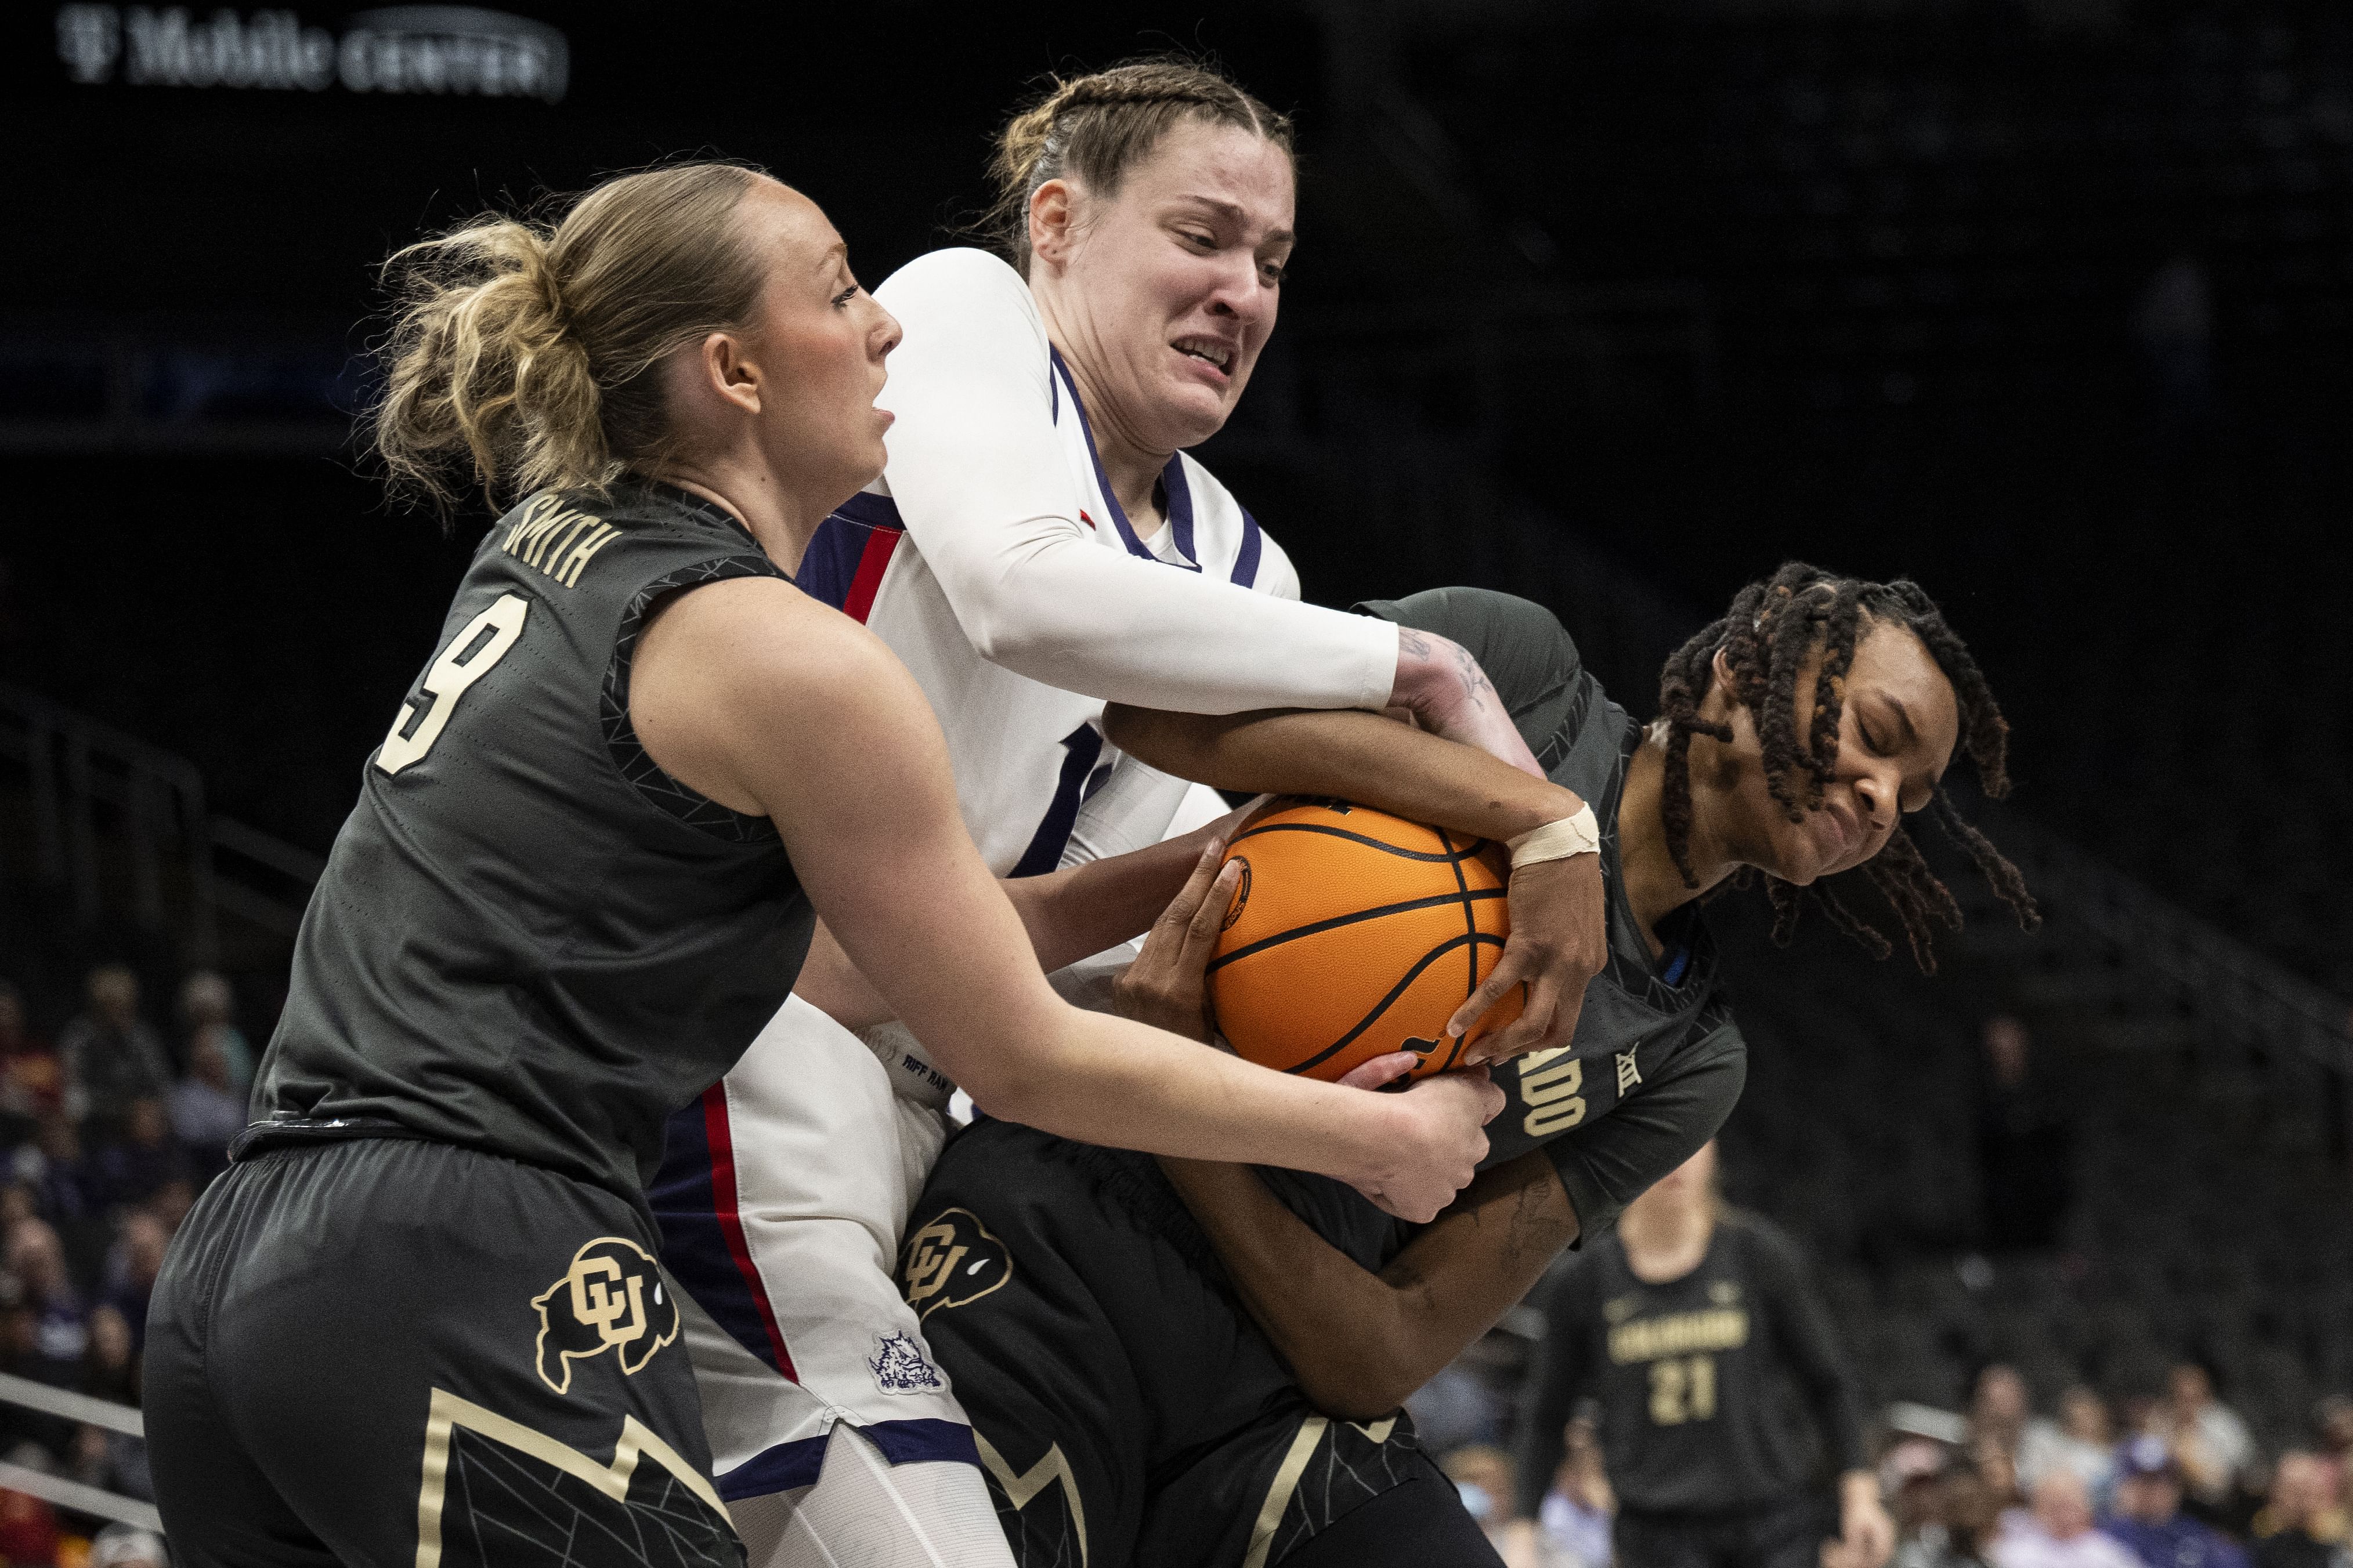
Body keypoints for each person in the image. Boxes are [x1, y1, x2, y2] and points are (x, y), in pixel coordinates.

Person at [137, 160, 1499, 1567]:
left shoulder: (541, 550)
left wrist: (1191, 866)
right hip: (457, 1257)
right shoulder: (787, 657)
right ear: (731, 370)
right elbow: (1021, 1058)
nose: (885, 326)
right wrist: (1373, 1139)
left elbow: (847, 961)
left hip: (238, 1271)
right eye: (842, 290)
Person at [658, 56, 1610, 1567]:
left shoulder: (1245, 572)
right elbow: (1022, 589)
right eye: (1201, 234)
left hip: (938, 1099)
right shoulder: (961, 313)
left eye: (1273, 262)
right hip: (746, 1037)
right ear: (1055, 222)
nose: (1241, 289)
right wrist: (1420, 671)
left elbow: (1118, 944)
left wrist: (1355, 1056)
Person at [908, 565, 2038, 1566]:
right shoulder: (1517, 677)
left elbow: (1382, 1348)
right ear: (1748, 665)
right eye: (1878, 734)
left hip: (1266, 1402)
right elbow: (1156, 708)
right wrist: (1539, 820)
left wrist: (1187, 1094)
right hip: (1071, 1232)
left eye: (1914, 795)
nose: (1884, 797)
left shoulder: (1692, 1056)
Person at [1509, 1142, 1893, 1568]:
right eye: (1663, 1137)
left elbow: (1829, 1384)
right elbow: (1544, 1416)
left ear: (1714, 1150)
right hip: (1654, 1533)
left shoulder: (1757, 1254)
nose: (1676, 1156)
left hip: (1770, 1522)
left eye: (1693, 1137)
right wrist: (1522, 1529)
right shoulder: (1582, 1282)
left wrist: (1861, 1497)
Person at [2100, 1435, 2249, 1568]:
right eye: (2142, 1481)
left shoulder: (2194, 1534)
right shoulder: (2102, 1538)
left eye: (2161, 1481)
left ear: (2176, 1489)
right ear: (2121, 1487)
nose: (2151, 1491)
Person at [57, 966, 171, 1132]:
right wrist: (114, 1107)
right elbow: (71, 1084)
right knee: (74, 1106)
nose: (121, 1014)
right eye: (113, 1007)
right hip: (94, 1113)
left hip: (136, 1113)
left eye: (126, 1007)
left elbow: (161, 1085)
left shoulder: (142, 1037)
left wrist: (148, 1107)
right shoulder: (79, 1036)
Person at [1996, 1472, 2139, 1568]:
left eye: (2071, 1507)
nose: (2064, 1517)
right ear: (2037, 1511)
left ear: (2087, 1510)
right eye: (2055, 1508)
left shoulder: (2108, 1554)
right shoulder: (2013, 1553)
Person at [2249, 1452, 2345, 1568]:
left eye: (2308, 1491)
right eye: (2292, 1491)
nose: (2300, 1503)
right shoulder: (2259, 1540)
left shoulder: (2335, 1549)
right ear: (2274, 1493)